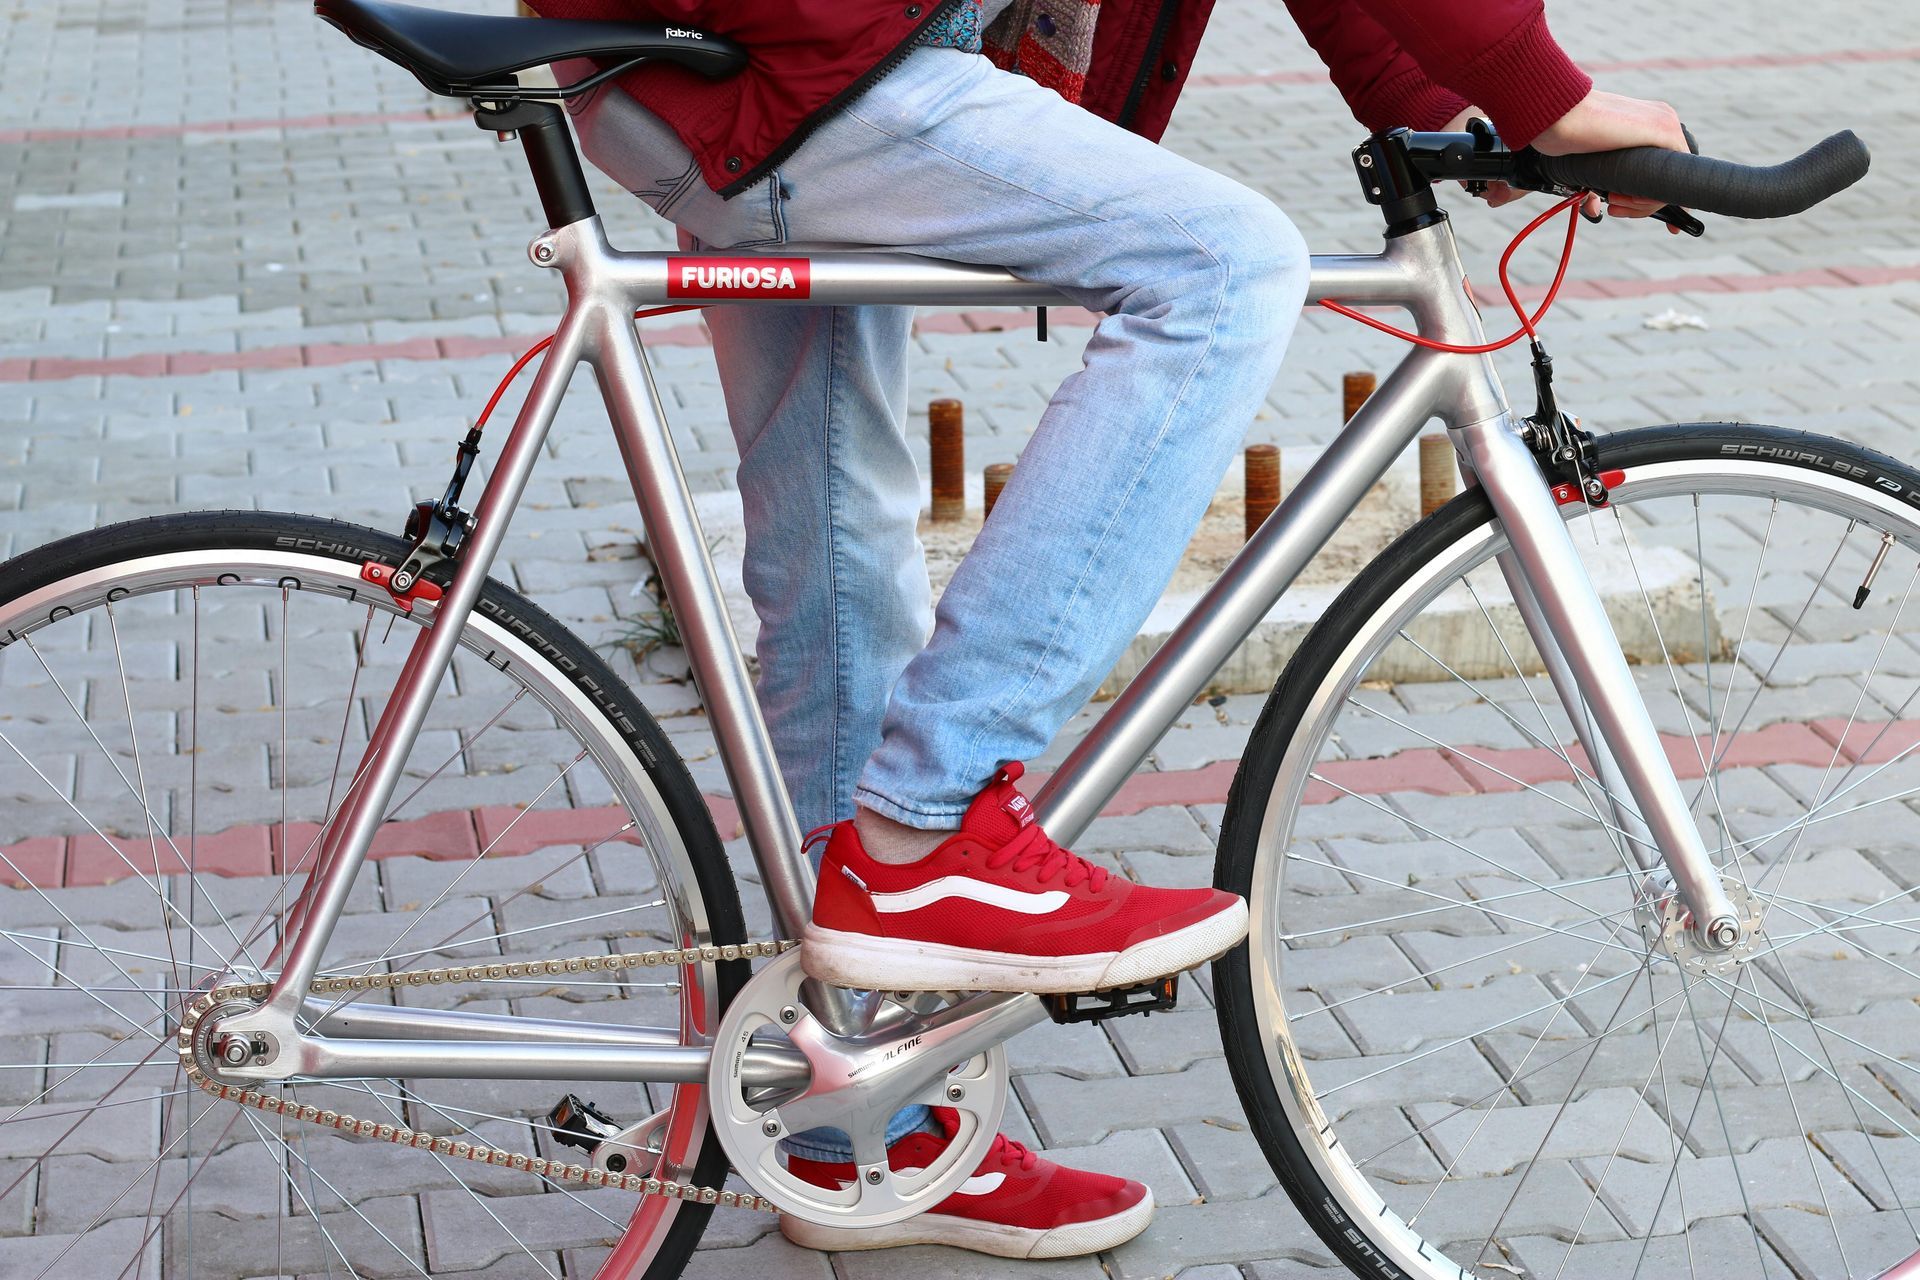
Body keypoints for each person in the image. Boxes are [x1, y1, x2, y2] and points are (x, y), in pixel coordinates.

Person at [532, 0, 1690, 1259]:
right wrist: (1546, 96)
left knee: (835, 548)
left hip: (725, 52)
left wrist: (1440, 110)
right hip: (808, 53)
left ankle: (859, 1114)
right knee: (1225, 262)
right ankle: (931, 823)